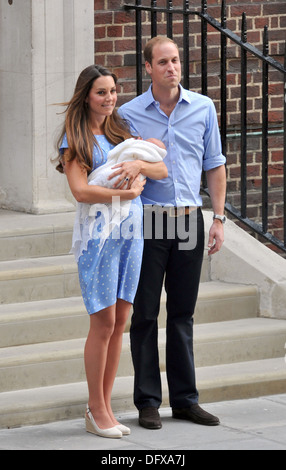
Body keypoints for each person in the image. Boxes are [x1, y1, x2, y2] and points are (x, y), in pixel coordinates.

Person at [54, 64, 167, 439]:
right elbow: (82, 192)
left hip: (131, 234)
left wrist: (139, 165)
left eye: (113, 91)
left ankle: (104, 405)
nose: (109, 98)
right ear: (86, 95)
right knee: (102, 323)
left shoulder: (123, 131)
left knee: (121, 321)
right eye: (101, 92)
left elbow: (162, 168)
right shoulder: (76, 138)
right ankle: (95, 408)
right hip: (98, 239)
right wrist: (127, 192)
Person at [119, 36, 227, 429]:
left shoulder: (202, 107)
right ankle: (148, 401)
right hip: (149, 220)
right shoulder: (129, 114)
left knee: (183, 313)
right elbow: (124, 168)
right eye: (163, 61)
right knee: (145, 314)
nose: (171, 67)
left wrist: (218, 217)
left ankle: (185, 400)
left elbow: (214, 164)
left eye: (176, 60)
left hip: (188, 220)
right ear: (148, 67)